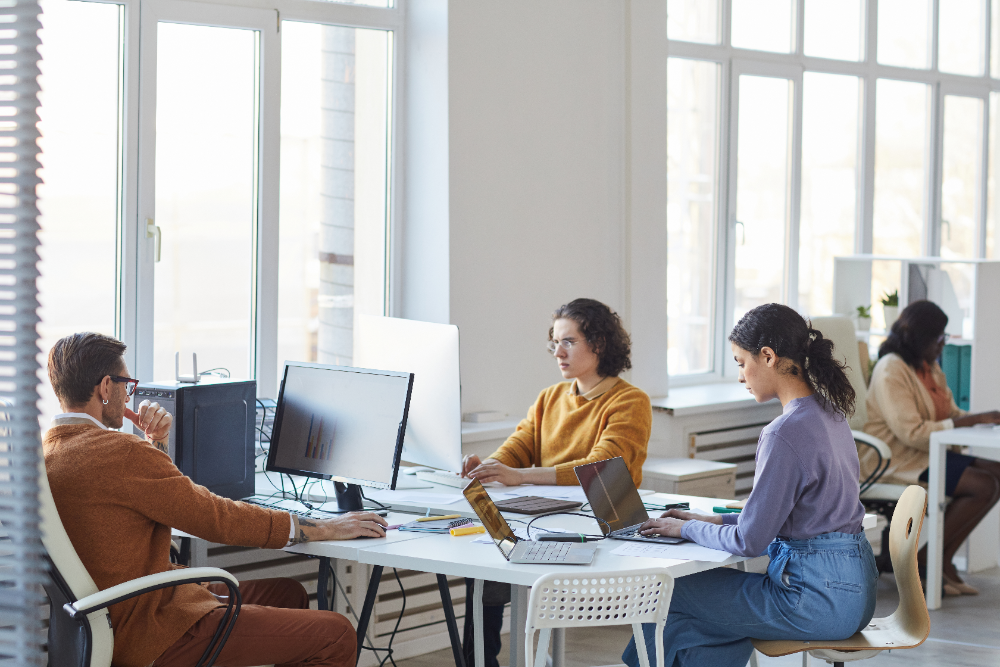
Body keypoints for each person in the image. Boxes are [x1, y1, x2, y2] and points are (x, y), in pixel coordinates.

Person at [43, 333, 389, 667]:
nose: (128, 396)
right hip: (152, 629)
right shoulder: (119, 452)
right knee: (337, 635)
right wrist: (322, 528)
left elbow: (151, 502)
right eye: (126, 385)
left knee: (288, 594)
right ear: (105, 387)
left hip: (108, 622)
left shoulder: (49, 453)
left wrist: (156, 443)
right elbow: (216, 517)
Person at [623, 303, 876, 667]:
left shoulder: (784, 433)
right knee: (703, 626)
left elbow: (749, 541)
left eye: (742, 363)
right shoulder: (830, 414)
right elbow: (783, 518)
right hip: (854, 594)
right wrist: (707, 521)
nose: (741, 376)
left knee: (664, 592)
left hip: (816, 601)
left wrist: (687, 528)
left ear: (768, 356)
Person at [460, 298, 652, 667]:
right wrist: (489, 466)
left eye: (568, 342)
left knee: (503, 558)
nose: (557, 352)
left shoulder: (631, 401)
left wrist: (519, 476)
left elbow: (603, 465)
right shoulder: (550, 398)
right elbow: (519, 446)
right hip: (547, 522)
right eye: (554, 342)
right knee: (484, 565)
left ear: (598, 343)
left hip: (598, 525)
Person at [863, 299, 1000, 596]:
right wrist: (970, 422)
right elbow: (911, 432)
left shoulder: (928, 367)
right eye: (939, 337)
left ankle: (940, 561)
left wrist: (984, 420)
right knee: (982, 485)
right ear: (921, 338)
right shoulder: (891, 370)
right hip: (898, 461)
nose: (943, 344)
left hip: (929, 454)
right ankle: (928, 559)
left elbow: (950, 414)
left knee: (997, 474)